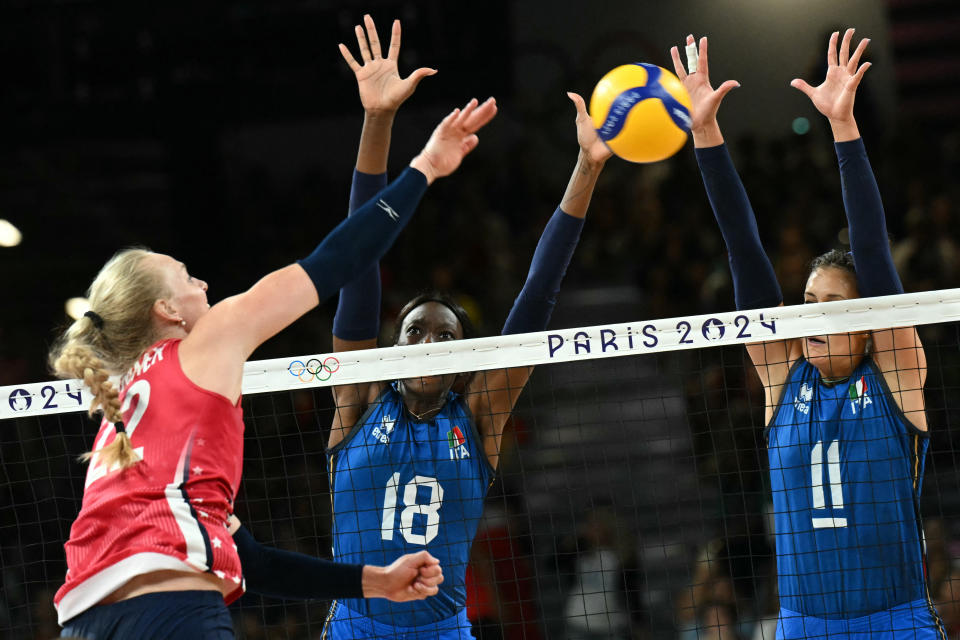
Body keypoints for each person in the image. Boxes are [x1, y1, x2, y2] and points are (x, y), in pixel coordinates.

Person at [49, 82, 498, 639]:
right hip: (172, 612)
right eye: (188, 276)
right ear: (166, 309)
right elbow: (338, 258)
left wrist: (373, 582)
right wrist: (426, 165)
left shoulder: (126, 408)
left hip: (85, 621)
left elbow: (252, 562)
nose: (204, 282)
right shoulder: (206, 342)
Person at [322, 15, 611, 639]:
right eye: (414, 333)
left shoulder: (478, 415)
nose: (427, 344)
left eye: (445, 337)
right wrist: (378, 120)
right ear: (390, 351)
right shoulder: (357, 399)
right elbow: (357, 262)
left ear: (463, 357)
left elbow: (538, 293)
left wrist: (586, 166)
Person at [670, 29, 944, 639]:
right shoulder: (781, 373)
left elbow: (872, 252)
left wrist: (844, 129)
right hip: (803, 626)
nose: (816, 317)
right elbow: (745, 252)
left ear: (865, 321)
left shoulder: (896, 368)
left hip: (895, 623)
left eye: (835, 306)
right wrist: (706, 136)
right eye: (808, 303)